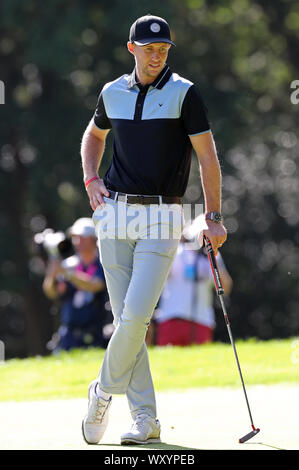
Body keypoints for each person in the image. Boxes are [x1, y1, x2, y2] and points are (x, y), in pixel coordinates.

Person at [80, 14, 227, 445]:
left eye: (163, 50)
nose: (157, 56)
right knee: (128, 320)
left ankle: (102, 391)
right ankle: (146, 419)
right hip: (115, 215)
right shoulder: (112, 92)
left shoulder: (185, 93)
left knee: (136, 317)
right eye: (149, 49)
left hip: (164, 216)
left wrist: (214, 217)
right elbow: (93, 137)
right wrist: (92, 179)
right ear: (132, 49)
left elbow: (208, 158)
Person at [42, 218, 113, 351]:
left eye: (83, 238)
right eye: (75, 238)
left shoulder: (103, 264)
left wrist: (67, 274)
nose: (78, 242)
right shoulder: (68, 264)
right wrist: (52, 273)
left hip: (97, 331)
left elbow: (95, 285)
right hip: (69, 332)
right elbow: (51, 292)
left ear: (94, 239)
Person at [155, 232, 233, 346]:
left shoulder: (211, 254)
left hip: (202, 321)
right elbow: (157, 279)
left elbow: (226, 288)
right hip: (171, 319)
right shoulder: (174, 251)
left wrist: (212, 259)